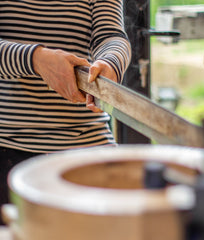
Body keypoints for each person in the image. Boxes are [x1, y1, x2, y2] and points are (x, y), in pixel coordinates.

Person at [0, 0, 131, 225]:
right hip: (7, 148)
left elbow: (111, 36)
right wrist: (35, 59)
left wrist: (111, 62)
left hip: (87, 146)